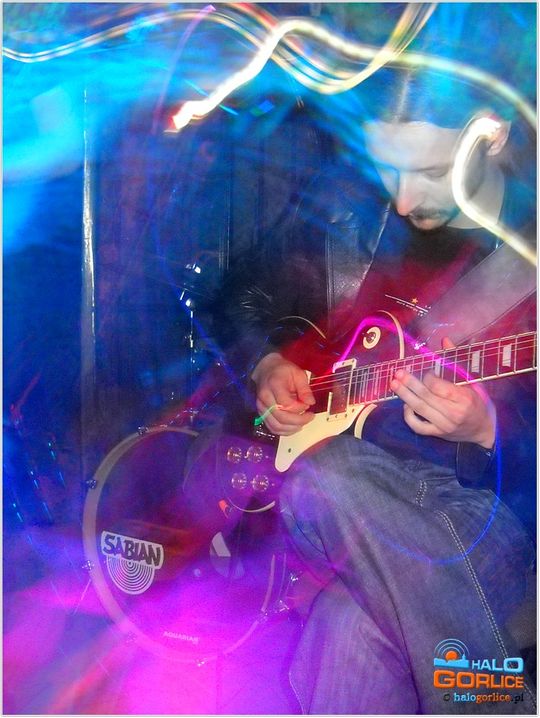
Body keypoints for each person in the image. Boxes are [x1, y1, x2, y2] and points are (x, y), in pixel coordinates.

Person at [207, 9, 536, 714]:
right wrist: (266, 362)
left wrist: (491, 431)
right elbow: (237, 295)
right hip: (351, 523)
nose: (403, 197)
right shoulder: (348, 214)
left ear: (494, 134)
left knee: (336, 564)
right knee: (333, 516)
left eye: (431, 170)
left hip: (495, 520)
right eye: (388, 163)